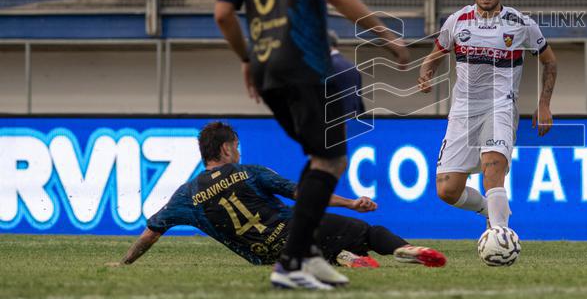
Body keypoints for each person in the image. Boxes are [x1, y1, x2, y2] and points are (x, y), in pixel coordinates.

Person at [214, 0, 410, 290]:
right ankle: (291, 264)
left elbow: (224, 13)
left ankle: (308, 255)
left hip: (265, 68)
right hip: (304, 59)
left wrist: (246, 58)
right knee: (331, 157)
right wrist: (385, 35)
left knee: (321, 159)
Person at [110, 122, 446, 271]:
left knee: (322, 250)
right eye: (236, 147)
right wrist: (351, 202)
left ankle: (345, 259)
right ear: (227, 148)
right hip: (295, 230)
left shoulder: (186, 195)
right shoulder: (249, 172)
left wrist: (125, 262)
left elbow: (151, 232)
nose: (238, 152)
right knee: (370, 233)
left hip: (267, 257)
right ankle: (405, 249)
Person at [417, 0, 557, 243]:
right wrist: (425, 73)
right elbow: (434, 55)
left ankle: (500, 237)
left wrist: (544, 104)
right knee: (447, 190)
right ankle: (488, 211)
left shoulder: (521, 24)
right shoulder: (457, 21)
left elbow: (550, 62)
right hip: (463, 111)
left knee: (493, 168)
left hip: (500, 107)